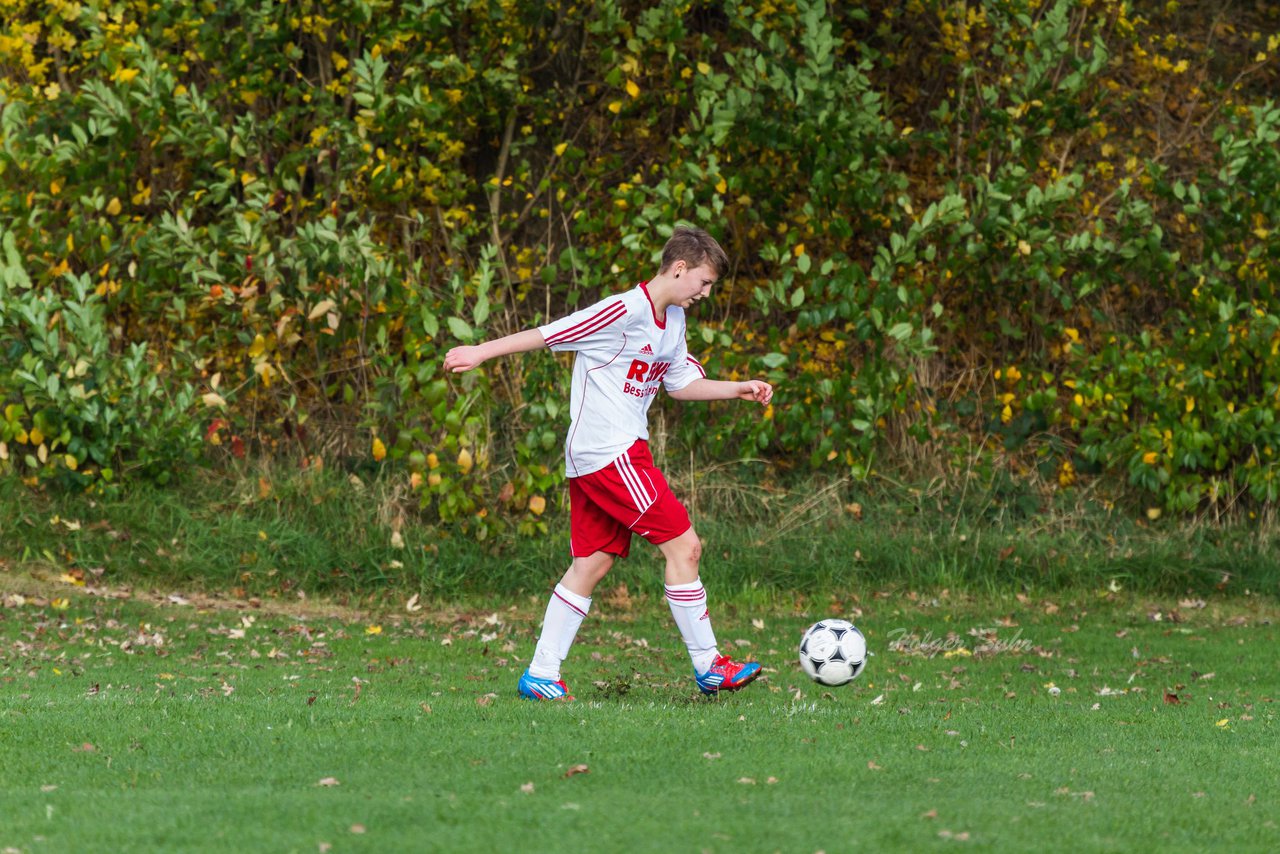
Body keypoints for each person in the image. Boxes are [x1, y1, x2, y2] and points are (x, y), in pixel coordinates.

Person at [443, 226, 774, 700]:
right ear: (679, 269)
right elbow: (548, 333)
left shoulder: (673, 319)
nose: (705, 293)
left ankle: (541, 674)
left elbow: (678, 386)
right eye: (702, 282)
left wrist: (737, 388)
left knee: (592, 564)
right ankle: (709, 666)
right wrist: (481, 352)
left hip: (603, 456)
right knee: (686, 548)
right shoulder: (622, 311)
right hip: (610, 453)